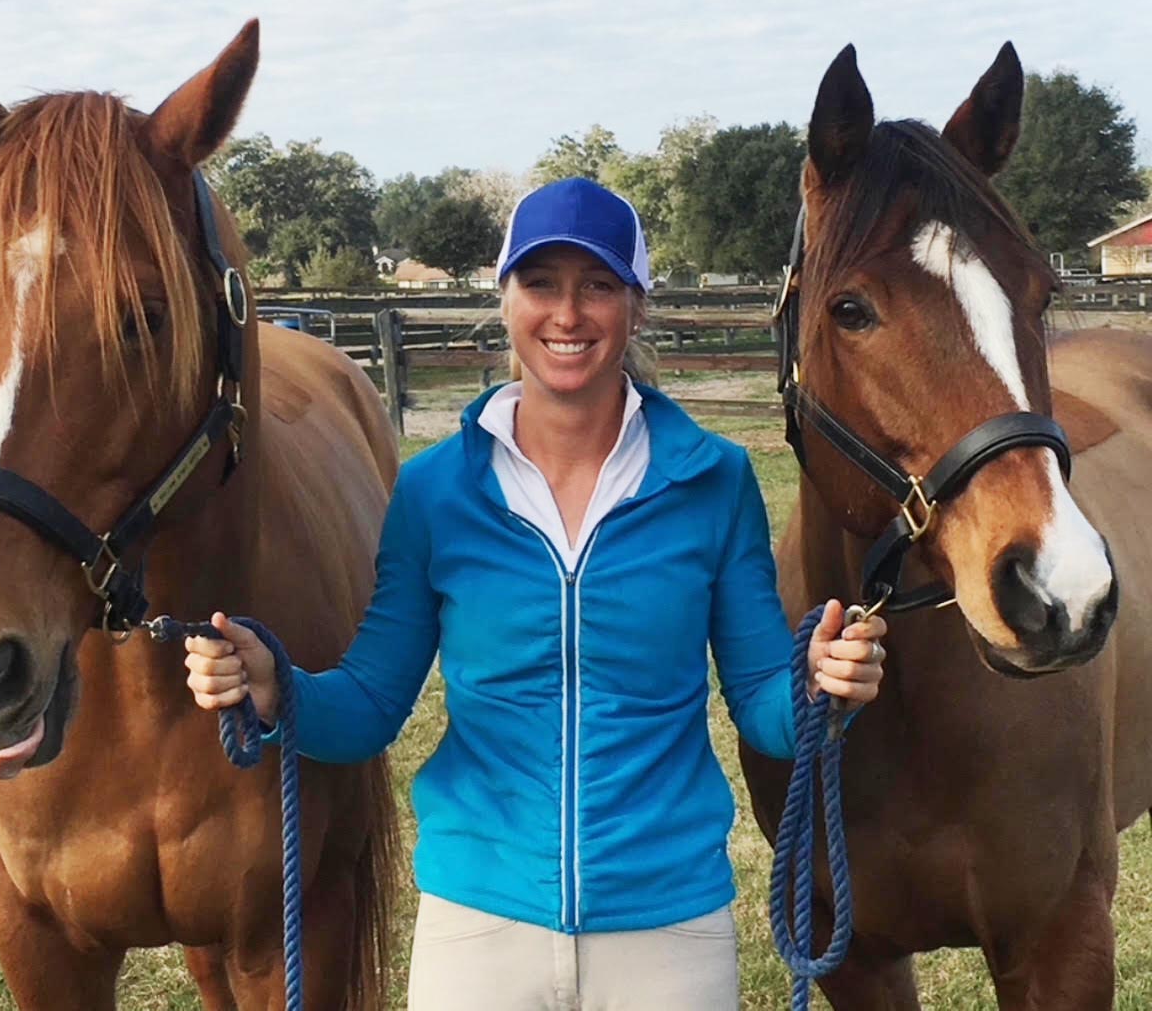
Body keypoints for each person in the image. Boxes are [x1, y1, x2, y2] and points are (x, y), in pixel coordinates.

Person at [185, 177, 887, 1010]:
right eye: (541, 283)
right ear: (506, 296)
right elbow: (371, 704)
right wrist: (278, 691)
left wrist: (817, 686)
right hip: (478, 922)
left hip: (669, 925)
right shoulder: (436, 492)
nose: (567, 314)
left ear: (636, 306)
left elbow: (765, 707)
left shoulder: (714, 482)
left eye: (597, 285)